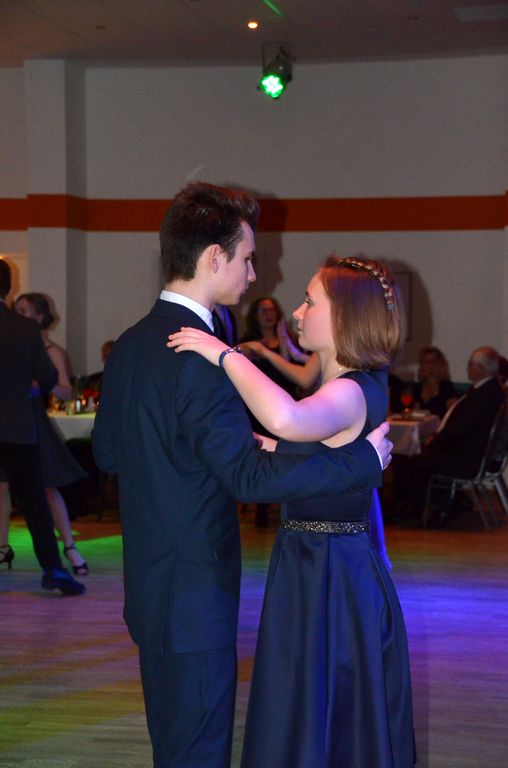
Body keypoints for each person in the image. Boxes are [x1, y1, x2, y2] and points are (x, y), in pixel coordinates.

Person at [91, 182, 392, 768]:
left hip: (150, 581)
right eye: (248, 258)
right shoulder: (201, 355)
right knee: (197, 751)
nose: (255, 274)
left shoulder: (130, 343)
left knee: (172, 743)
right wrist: (358, 462)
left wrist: (178, 471)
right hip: (194, 592)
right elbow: (249, 481)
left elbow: (107, 453)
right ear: (214, 258)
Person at [168, 255, 415, 767]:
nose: (297, 313)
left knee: (314, 700)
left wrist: (223, 354)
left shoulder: (350, 390)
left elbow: (286, 419)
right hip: (316, 561)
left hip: (328, 571)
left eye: (309, 301)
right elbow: (299, 447)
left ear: (344, 316)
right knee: (311, 701)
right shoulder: (351, 386)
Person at [0, 261, 85, 594]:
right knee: (34, 502)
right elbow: (49, 378)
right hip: (16, 426)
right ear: (8, 287)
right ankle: (53, 569)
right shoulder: (23, 328)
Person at [397, 346, 504, 523]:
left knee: (410, 459)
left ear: (481, 368)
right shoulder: (486, 390)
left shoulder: (485, 394)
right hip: (466, 453)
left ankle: (415, 507)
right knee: (412, 456)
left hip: (466, 459)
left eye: (471, 364)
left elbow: (461, 428)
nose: (468, 368)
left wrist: (436, 440)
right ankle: (419, 504)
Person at [412, 346, 457, 418]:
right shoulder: (418, 388)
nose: (422, 366)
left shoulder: (446, 387)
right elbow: (415, 413)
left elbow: (453, 413)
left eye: (427, 362)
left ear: (437, 365)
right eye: (421, 362)